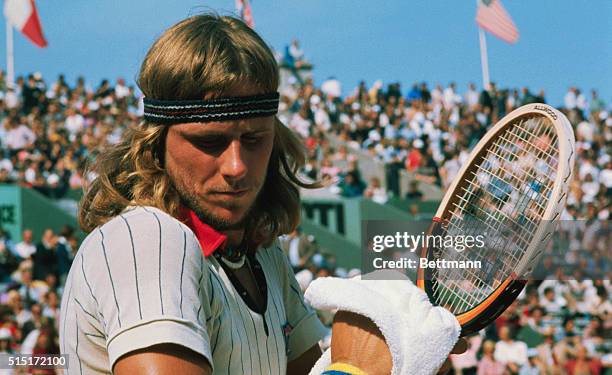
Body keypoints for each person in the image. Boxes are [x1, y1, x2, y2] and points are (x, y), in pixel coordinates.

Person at [59, 14, 463, 375]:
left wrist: (397, 354)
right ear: (157, 142)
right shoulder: (148, 238)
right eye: (210, 142)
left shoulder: (264, 256)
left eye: (254, 140)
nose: (236, 167)